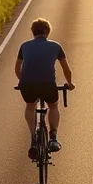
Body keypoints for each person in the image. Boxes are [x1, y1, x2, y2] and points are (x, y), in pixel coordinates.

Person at [15, 18, 74, 159]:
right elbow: (66, 69)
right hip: (48, 85)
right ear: (47, 32)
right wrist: (70, 83)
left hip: (27, 85)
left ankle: (33, 138)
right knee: (53, 105)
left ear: (33, 32)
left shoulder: (24, 46)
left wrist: (23, 81)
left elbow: (17, 68)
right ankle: (53, 137)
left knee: (30, 106)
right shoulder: (56, 46)